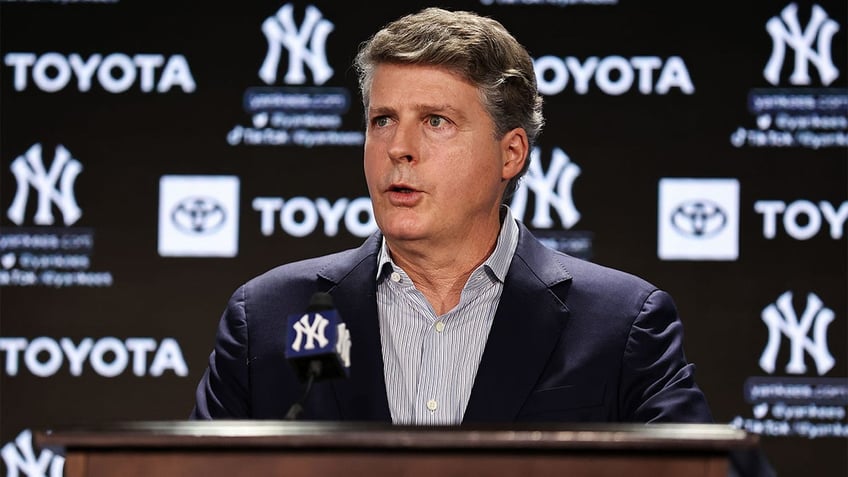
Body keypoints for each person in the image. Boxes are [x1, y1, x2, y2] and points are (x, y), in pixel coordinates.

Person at [191, 7, 712, 424]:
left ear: (511, 154)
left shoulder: (622, 324)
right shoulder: (266, 316)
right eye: (383, 120)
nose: (400, 147)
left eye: (436, 121)